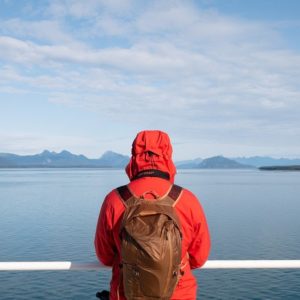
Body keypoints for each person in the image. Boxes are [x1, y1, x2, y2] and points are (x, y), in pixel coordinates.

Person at [95, 130, 211, 300]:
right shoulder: (187, 200)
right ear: (168, 155)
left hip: (126, 294)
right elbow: (199, 259)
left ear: (134, 156)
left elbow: (104, 257)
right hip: (178, 295)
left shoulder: (114, 200)